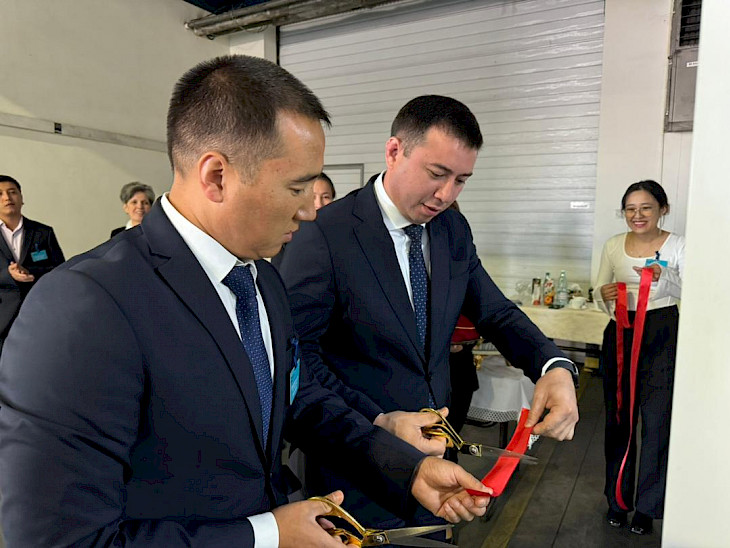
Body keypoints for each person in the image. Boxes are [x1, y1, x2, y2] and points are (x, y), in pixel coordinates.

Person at [0, 57, 490, 547]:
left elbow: (297, 399)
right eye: (296, 187)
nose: (310, 210)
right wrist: (265, 534)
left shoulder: (262, 280)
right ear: (216, 176)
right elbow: (63, 539)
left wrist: (406, 469)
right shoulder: (85, 306)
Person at [277, 95, 580, 532]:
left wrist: (552, 365)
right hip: (356, 467)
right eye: (437, 174)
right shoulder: (325, 235)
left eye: (461, 180)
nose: (446, 194)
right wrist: (376, 421)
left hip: (438, 455)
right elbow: (296, 360)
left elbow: (495, 311)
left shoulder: (451, 230)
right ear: (394, 151)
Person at [594, 180, 684, 535]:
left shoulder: (678, 245)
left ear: (663, 209)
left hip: (662, 333)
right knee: (619, 418)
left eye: (646, 207)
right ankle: (617, 499)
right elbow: (598, 289)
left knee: (657, 421)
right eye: (630, 209)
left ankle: (647, 507)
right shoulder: (613, 245)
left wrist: (667, 276)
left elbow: (696, 290)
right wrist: (603, 294)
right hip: (620, 332)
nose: (637, 215)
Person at [0, 175, 65, 350]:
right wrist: (8, 275)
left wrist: (30, 272)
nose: (7, 198)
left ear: (21, 198)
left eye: (12, 192)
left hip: (38, 315)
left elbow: (59, 270)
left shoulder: (43, 232)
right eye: (0, 194)